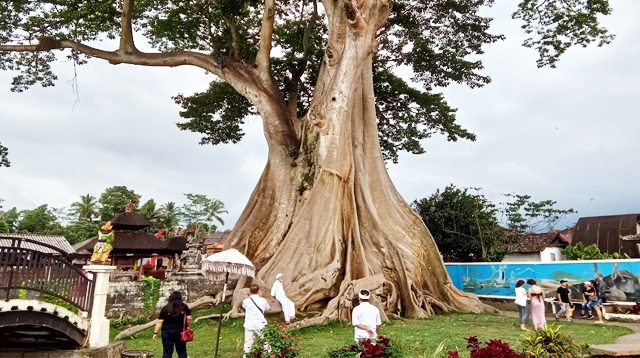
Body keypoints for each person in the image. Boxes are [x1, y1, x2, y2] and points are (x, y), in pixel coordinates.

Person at [153, 291, 192, 358]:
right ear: (180, 298)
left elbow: (159, 321)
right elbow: (189, 318)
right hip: (180, 332)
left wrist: (155, 333)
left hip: (167, 333)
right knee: (182, 351)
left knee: (167, 352)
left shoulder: (165, 308)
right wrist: (188, 326)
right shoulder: (184, 307)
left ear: (170, 298)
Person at [243, 284, 270, 357]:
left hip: (249, 324)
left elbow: (244, 306)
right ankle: (266, 355)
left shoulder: (246, 301)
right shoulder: (263, 300)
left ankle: (246, 356)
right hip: (260, 324)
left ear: (250, 291)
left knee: (248, 343)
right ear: (258, 291)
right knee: (266, 342)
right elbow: (267, 309)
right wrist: (261, 297)